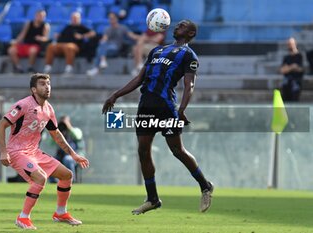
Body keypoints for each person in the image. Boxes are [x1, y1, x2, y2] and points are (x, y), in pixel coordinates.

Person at [102, 20, 214, 214]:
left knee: (177, 150)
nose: (178, 26)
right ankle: (152, 199)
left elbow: (190, 85)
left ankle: (205, 186)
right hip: (146, 104)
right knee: (143, 150)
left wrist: (181, 110)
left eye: (183, 26)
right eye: (178, 24)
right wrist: (115, 95)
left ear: (190, 34)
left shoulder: (189, 55)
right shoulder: (157, 51)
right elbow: (139, 79)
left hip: (166, 106)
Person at [0, 73, 89, 230]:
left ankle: (60, 213)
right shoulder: (23, 105)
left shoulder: (48, 109)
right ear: (33, 89)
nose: (47, 87)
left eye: (48, 83)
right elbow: (1, 125)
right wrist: (3, 152)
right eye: (42, 84)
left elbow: (56, 134)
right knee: (40, 178)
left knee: (67, 175)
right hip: (17, 152)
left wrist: (73, 154)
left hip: (34, 152)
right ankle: (23, 217)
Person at [86, 12, 139, 77]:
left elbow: (132, 36)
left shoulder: (123, 27)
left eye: (112, 18)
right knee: (102, 45)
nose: (111, 20)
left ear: (116, 19)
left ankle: (97, 67)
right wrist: (103, 41)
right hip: (107, 48)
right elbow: (104, 38)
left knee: (100, 49)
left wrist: (142, 38)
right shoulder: (107, 29)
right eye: (110, 19)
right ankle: (102, 61)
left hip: (115, 48)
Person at [48, 115, 86, 183]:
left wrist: (68, 126)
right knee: (50, 161)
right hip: (60, 155)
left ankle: (71, 181)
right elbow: (50, 143)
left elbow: (77, 136)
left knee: (67, 159)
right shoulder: (59, 133)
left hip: (74, 155)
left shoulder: (76, 130)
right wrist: (56, 131)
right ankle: (53, 182)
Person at [280, 37, 304, 102]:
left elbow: (300, 69)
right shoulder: (286, 57)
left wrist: (288, 68)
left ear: (295, 44)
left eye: (291, 44)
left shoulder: (299, 56)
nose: (290, 45)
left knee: (295, 89)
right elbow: (283, 70)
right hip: (287, 81)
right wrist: (292, 67)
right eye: (289, 44)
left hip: (296, 81)